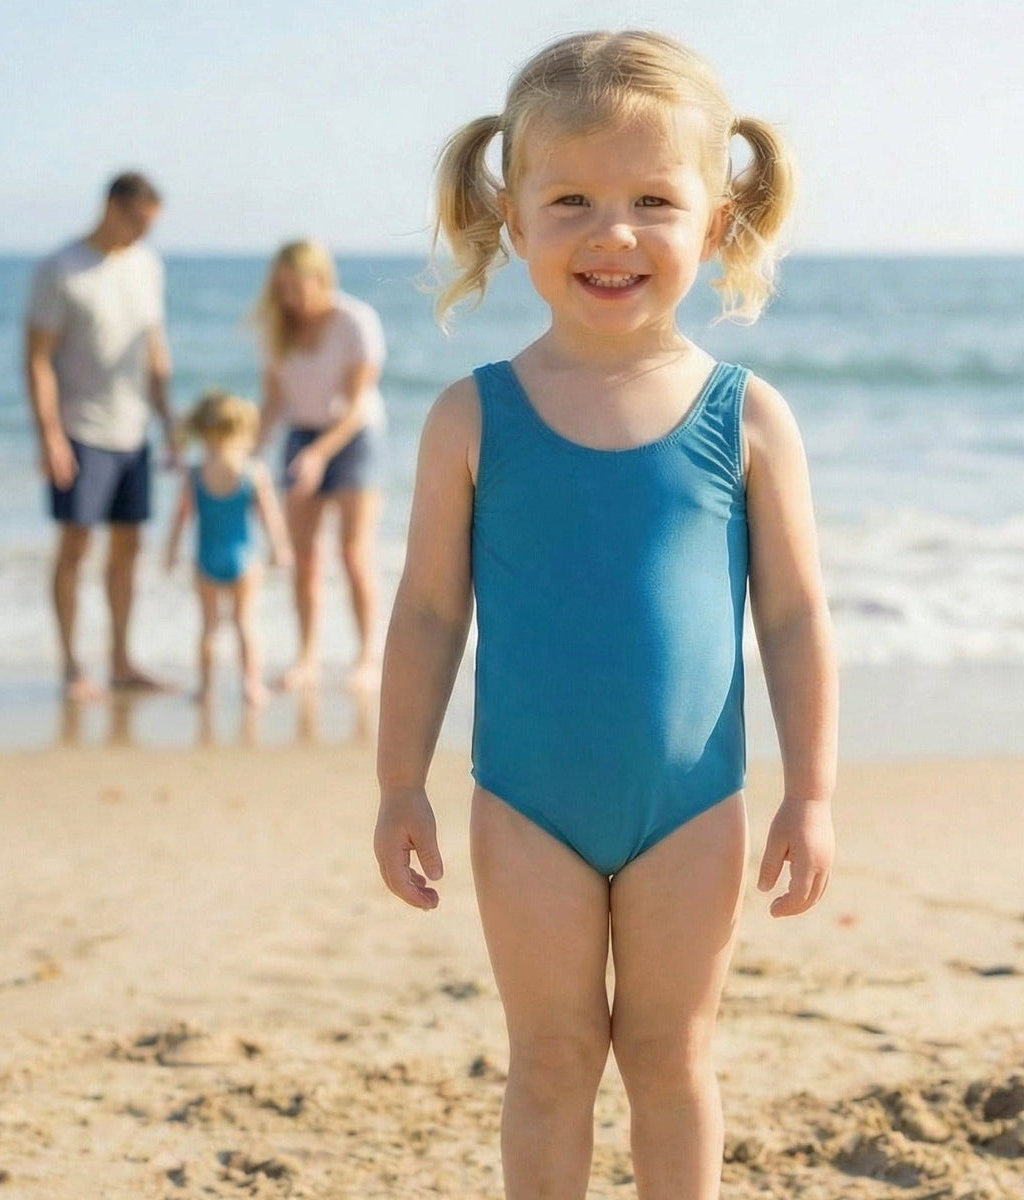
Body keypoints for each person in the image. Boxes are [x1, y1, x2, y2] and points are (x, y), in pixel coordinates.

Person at [373, 30, 838, 1200]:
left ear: (716, 225)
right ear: (512, 221)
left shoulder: (749, 415)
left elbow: (792, 618)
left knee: (672, 1059)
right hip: (527, 806)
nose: (611, 231)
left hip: (695, 808)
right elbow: (429, 615)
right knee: (552, 1059)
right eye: (571, 198)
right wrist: (397, 783)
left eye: (652, 200)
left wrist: (813, 792)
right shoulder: (471, 419)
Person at [25, 170, 179, 700]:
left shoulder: (146, 265)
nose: (142, 233)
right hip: (80, 431)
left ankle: (120, 660)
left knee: (128, 548)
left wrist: (171, 422)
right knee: (75, 546)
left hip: (133, 432)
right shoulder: (61, 268)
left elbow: (154, 349)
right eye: (137, 221)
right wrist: (50, 436)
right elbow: (38, 360)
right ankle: (71, 665)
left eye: (149, 225)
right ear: (112, 206)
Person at [253, 240, 387, 693]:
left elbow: (356, 406)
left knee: (353, 552)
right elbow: (273, 401)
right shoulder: (278, 328)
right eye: (282, 289)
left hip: (355, 436)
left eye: (297, 287)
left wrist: (319, 454)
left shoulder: (356, 322)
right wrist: (248, 453)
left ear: (322, 280)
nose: (290, 298)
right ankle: (306, 658)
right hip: (301, 433)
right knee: (304, 558)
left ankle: (368, 657)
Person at [164, 391, 291, 706]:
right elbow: (269, 516)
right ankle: (252, 686)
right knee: (245, 623)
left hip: (206, 558)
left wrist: (171, 552)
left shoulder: (194, 474)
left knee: (208, 627)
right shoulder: (252, 471)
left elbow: (180, 519)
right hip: (244, 560)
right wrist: (280, 549)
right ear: (240, 430)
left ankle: (206, 690)